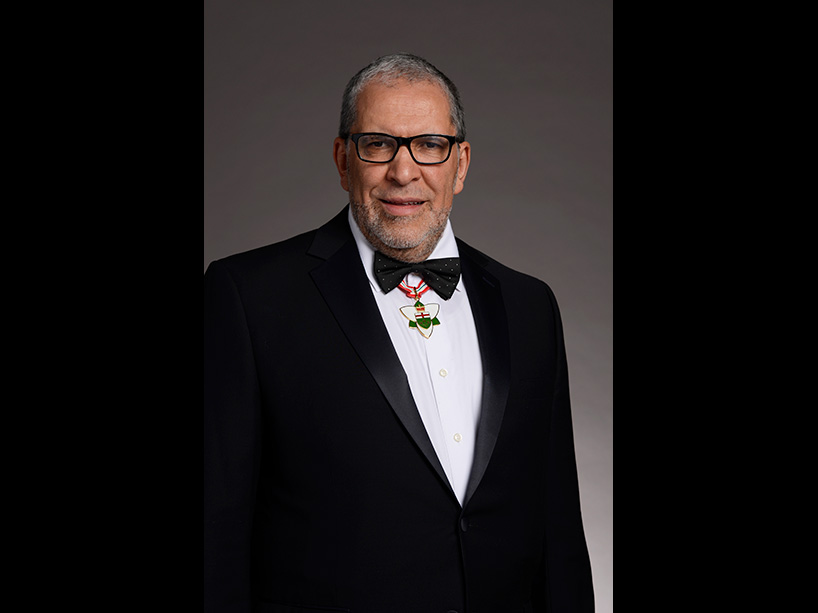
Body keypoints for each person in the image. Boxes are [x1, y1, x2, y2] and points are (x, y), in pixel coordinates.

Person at [204, 52, 594, 613]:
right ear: (343, 159)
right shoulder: (248, 296)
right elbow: (215, 533)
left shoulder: (531, 305)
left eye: (429, 145)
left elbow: (559, 532)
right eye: (378, 143)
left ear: (460, 164)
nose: (403, 171)